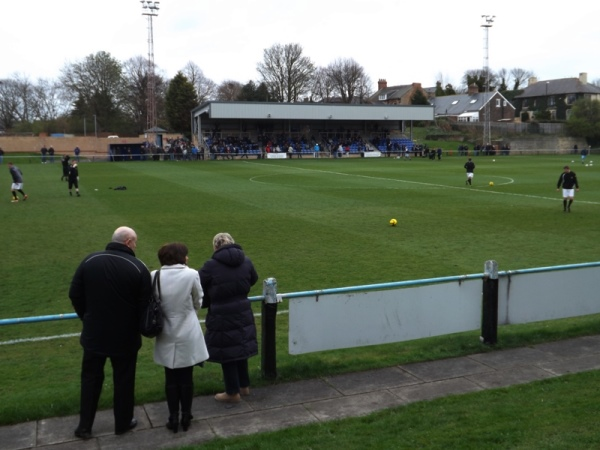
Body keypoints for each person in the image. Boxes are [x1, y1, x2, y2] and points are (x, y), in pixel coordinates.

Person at [69, 226, 152, 439]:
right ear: (128, 242)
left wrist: (87, 318)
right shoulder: (137, 266)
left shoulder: (90, 261)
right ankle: (122, 423)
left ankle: (84, 426)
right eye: (135, 242)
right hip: (125, 337)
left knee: (90, 379)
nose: (136, 246)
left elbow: (75, 294)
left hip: (94, 334)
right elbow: (145, 306)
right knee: (124, 380)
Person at [152, 243, 209, 433]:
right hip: (187, 328)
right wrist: (188, 311)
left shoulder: (155, 276)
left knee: (170, 376)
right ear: (180, 257)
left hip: (166, 329)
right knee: (186, 376)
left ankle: (173, 416)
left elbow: (154, 302)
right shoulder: (191, 274)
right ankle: (185, 415)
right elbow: (198, 300)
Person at [199, 232, 258, 404]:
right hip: (243, 309)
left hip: (222, 313)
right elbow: (253, 278)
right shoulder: (246, 261)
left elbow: (199, 284)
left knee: (228, 352)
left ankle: (232, 392)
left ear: (216, 246)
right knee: (240, 347)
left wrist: (212, 297)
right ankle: (244, 386)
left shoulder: (211, 265)